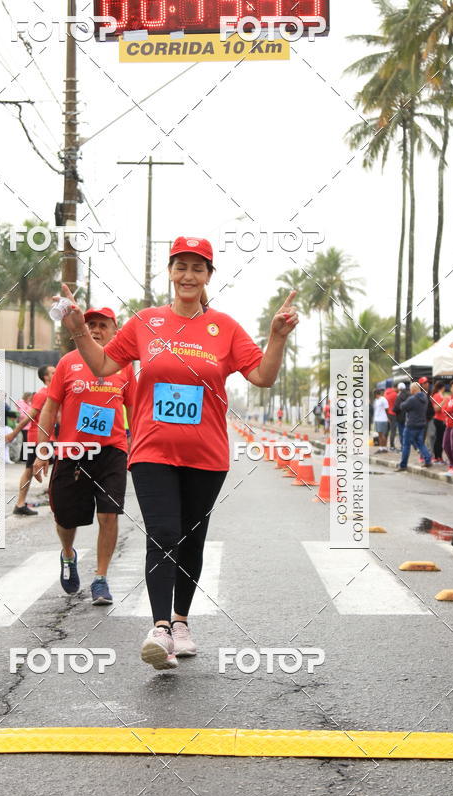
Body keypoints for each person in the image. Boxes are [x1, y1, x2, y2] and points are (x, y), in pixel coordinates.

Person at [59, 235, 299, 670]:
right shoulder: (144, 323)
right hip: (151, 451)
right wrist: (78, 329)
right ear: (170, 272)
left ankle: (182, 622)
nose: (188, 275)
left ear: (208, 275)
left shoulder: (224, 328)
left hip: (207, 454)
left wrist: (275, 337)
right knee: (163, 535)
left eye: (198, 267)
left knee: (191, 538)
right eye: (181, 266)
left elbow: (262, 375)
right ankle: (160, 629)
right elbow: (103, 366)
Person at [33, 308, 136, 605]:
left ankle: (101, 579)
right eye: (90, 324)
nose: (95, 330)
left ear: (115, 331)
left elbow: (137, 408)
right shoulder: (68, 363)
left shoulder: (125, 367)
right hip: (72, 452)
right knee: (66, 518)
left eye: (103, 325)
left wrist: (139, 447)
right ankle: (68, 555)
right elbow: (50, 408)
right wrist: (43, 448)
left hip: (112, 451)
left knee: (109, 513)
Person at [7, 365, 56, 515]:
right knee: (29, 470)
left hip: (50, 438)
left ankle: (54, 500)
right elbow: (29, 415)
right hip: (38, 439)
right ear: (46, 377)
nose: (57, 374)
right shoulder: (43, 394)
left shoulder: (54, 391)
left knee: (58, 468)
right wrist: (14, 433)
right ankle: (20, 504)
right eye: (53, 373)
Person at [396, 382, 433, 471]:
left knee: (406, 445)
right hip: (421, 424)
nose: (410, 391)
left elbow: (402, 406)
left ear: (414, 389)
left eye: (411, 389)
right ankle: (428, 460)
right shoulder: (425, 398)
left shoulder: (412, 399)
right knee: (420, 443)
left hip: (411, 425)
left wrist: (402, 399)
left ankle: (403, 465)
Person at [430, 380, 447, 464]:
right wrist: (444, 401)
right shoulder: (437, 395)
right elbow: (437, 408)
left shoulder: (439, 395)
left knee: (440, 439)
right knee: (439, 439)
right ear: (442, 387)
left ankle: (438, 456)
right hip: (438, 419)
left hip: (442, 420)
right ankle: (437, 457)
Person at [393, 382, 409, 447]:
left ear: (399, 388)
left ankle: (403, 446)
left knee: (401, 433)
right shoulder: (409, 395)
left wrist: (394, 410)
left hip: (400, 418)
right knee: (407, 433)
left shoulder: (399, 396)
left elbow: (396, 407)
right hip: (408, 417)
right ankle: (407, 445)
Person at [384, 383, 398, 450]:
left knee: (386, 430)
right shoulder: (395, 394)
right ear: (395, 387)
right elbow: (397, 405)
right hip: (393, 414)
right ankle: (392, 446)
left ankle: (384, 445)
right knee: (393, 431)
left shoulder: (386, 392)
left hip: (386, 413)